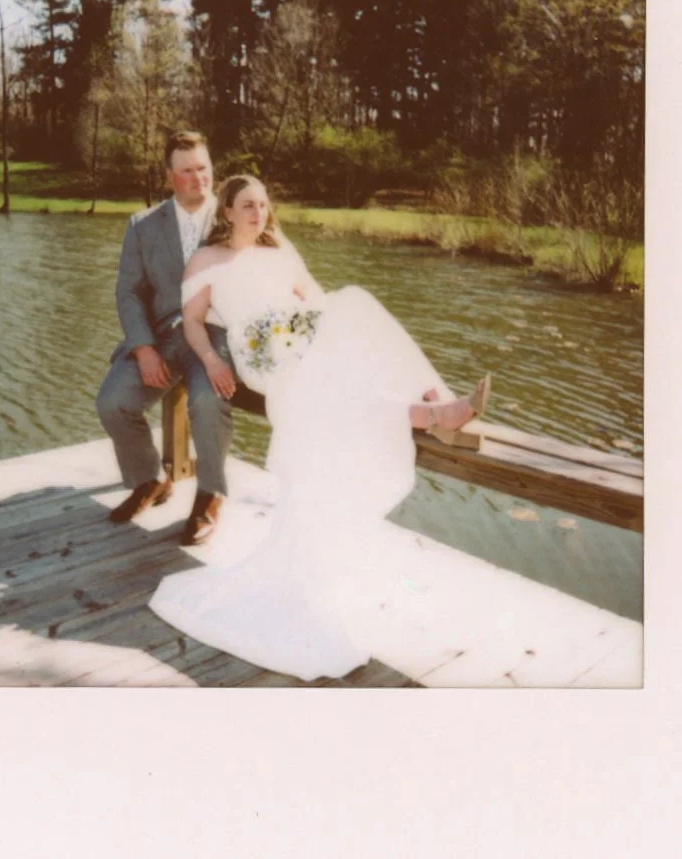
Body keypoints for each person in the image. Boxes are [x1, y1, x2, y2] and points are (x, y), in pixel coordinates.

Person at [149, 175, 490, 682]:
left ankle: (432, 403)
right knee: (335, 356)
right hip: (260, 352)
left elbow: (316, 301)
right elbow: (194, 322)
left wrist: (324, 336)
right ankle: (433, 410)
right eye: (247, 205)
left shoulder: (280, 250)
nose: (257, 214)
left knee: (354, 303)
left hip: (299, 333)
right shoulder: (207, 262)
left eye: (263, 205)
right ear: (226, 211)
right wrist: (210, 362)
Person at [96, 131, 238, 544]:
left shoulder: (234, 218)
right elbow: (129, 292)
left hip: (214, 340)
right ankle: (151, 481)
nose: (199, 178)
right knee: (112, 402)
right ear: (170, 176)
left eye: (204, 168)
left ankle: (210, 496)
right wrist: (142, 348)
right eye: (187, 171)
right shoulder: (142, 226)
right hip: (159, 338)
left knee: (208, 400)